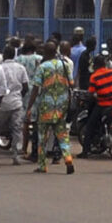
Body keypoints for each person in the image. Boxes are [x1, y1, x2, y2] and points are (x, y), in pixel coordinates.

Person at [31, 45, 75, 173]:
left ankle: (42, 165)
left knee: (42, 136)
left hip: (46, 105)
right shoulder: (65, 65)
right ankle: (68, 158)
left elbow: (35, 88)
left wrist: (30, 106)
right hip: (62, 105)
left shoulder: (42, 67)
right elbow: (72, 83)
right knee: (62, 134)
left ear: (45, 52)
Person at [84, 51, 112, 154]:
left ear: (95, 65)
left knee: (90, 126)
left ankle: (86, 151)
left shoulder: (94, 76)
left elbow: (91, 93)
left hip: (103, 105)